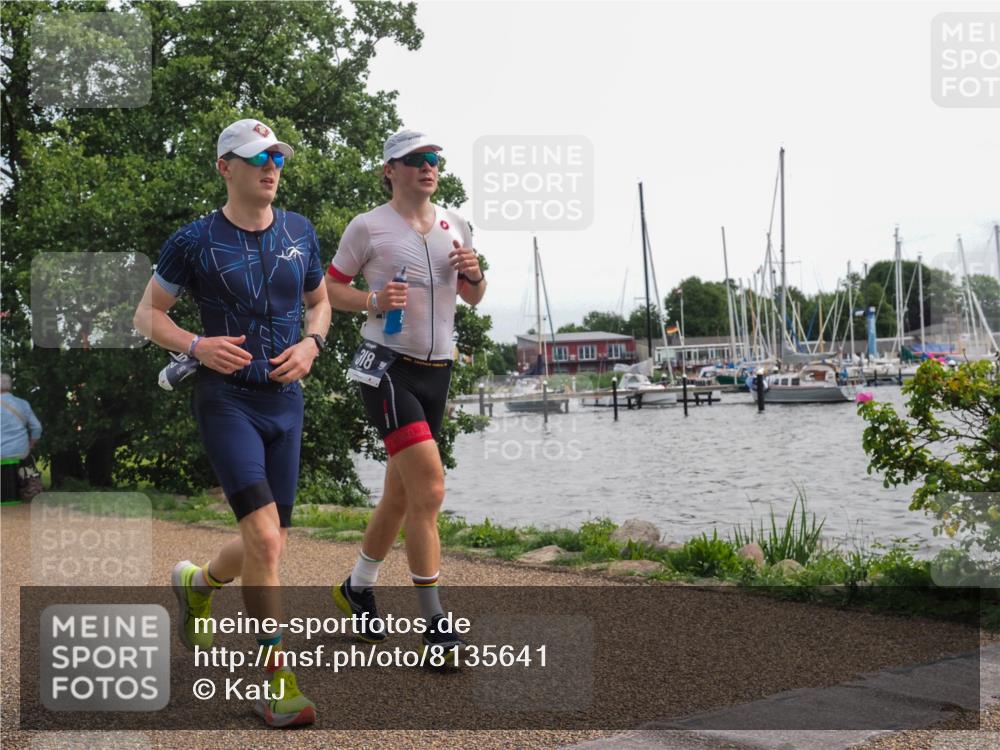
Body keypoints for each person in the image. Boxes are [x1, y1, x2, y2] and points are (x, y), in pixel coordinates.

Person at [133, 118, 330, 727]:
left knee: (265, 541)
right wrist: (196, 345)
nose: (270, 167)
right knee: (267, 541)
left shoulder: (300, 231)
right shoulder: (194, 240)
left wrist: (312, 346)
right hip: (226, 400)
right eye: (256, 157)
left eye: (276, 156)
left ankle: (198, 583)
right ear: (225, 167)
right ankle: (275, 682)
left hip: (285, 403)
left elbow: (319, 302)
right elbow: (147, 314)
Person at [325, 130, 486, 654]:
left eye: (435, 158)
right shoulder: (367, 226)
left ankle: (358, 587)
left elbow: (476, 298)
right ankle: (436, 623)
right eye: (416, 159)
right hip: (386, 367)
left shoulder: (455, 224)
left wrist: (475, 276)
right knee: (431, 490)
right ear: (390, 169)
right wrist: (372, 299)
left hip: (438, 371)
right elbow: (327, 289)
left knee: (400, 494)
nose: (428, 166)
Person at [0, 373, 42, 502]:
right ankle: (26, 489)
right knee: (26, 459)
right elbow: (37, 427)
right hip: (21, 452)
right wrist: (31, 444)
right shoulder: (23, 404)